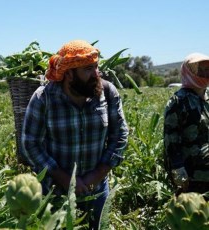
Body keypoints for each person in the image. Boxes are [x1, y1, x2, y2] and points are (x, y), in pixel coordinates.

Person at [21, 40, 129, 229]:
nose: (96, 74)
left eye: (96, 67)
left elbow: (120, 136)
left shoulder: (108, 93)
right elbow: (30, 144)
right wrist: (64, 178)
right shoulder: (43, 98)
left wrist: (96, 175)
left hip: (96, 188)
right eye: (88, 69)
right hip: (55, 191)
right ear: (69, 74)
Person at [164, 52, 209, 195]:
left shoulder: (207, 97)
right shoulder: (179, 101)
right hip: (192, 174)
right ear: (188, 72)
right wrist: (177, 168)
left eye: (207, 69)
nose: (204, 73)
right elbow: (170, 138)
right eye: (199, 69)